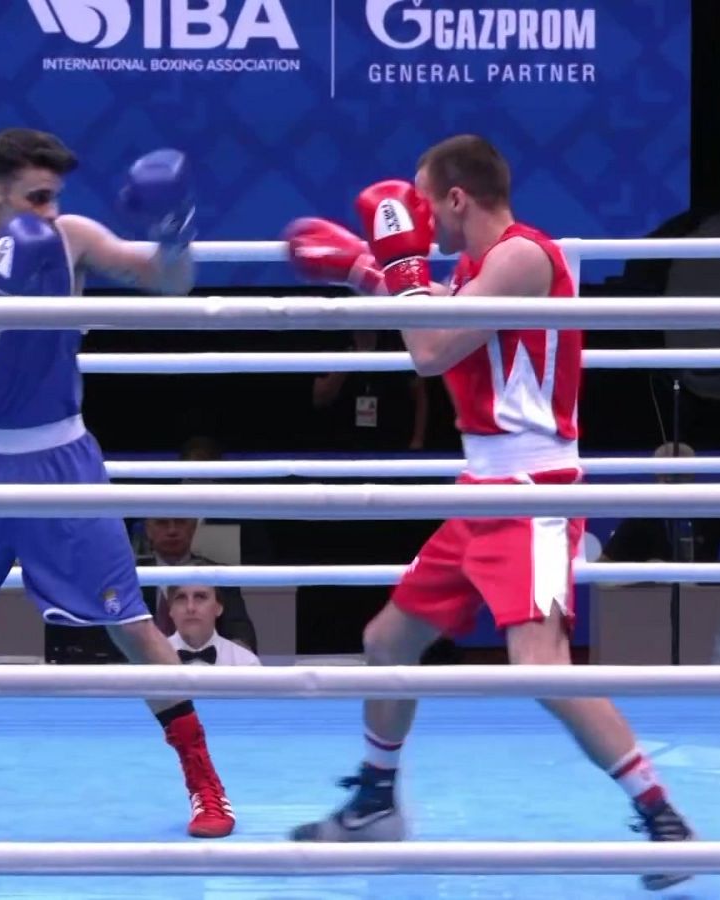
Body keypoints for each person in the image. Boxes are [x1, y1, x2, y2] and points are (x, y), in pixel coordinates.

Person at [283, 134, 694, 890]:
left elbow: (429, 351)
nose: (414, 213)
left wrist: (398, 268)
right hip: (483, 491)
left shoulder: (523, 258)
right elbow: (430, 317)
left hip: (533, 492)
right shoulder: (478, 269)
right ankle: (377, 804)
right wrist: (360, 271)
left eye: (420, 197)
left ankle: (662, 815)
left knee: (542, 666)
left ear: (456, 197)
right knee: (386, 643)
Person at [0, 127, 233, 838]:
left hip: (63, 461)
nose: (49, 213)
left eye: (56, 198)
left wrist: (175, 230)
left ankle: (205, 784)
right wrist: (0, 287)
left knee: (132, 629)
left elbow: (172, 282)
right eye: (37, 198)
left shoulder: (70, 237)